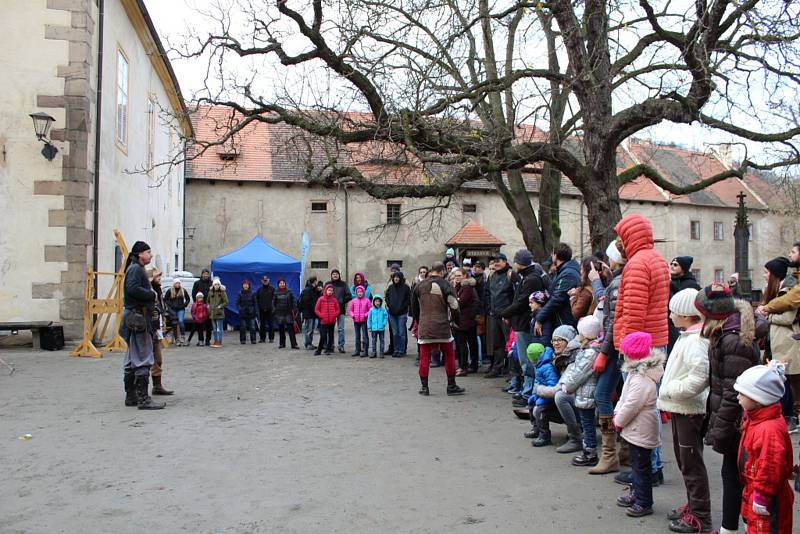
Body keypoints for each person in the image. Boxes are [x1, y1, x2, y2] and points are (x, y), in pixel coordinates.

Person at [695, 284, 761, 534]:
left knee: (734, 475)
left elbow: (733, 394)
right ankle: (734, 525)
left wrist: (720, 430)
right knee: (733, 473)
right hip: (734, 420)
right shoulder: (727, 333)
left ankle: (731, 527)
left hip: (737, 423)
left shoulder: (733, 341)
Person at [611, 214, 670, 485]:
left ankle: (647, 470)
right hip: (655, 340)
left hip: (640, 346)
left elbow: (633, 312)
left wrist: (627, 348)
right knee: (650, 406)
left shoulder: (636, 264)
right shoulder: (655, 258)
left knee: (639, 408)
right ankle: (651, 467)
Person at [657, 288, 711, 533]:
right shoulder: (687, 336)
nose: (670, 316)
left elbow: (699, 376)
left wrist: (671, 389)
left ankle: (701, 516)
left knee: (691, 464)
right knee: (684, 461)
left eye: (673, 312)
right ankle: (693, 506)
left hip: (689, 408)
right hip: (681, 406)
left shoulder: (697, 340)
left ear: (687, 314)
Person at [733, 362, 795, 534]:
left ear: (758, 399)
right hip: (754, 490)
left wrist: (762, 495)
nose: (738, 397)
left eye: (742, 394)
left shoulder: (768, 429)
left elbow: (770, 465)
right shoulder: (756, 420)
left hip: (766, 497)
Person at [614, 332, 664, 518]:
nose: (623, 356)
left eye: (625, 353)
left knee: (641, 466)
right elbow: (624, 398)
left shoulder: (642, 379)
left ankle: (644, 501)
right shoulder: (635, 373)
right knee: (636, 465)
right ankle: (636, 493)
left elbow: (632, 404)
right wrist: (617, 412)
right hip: (635, 427)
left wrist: (618, 420)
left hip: (641, 428)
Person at [590, 238, 627, 475]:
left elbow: (613, 319)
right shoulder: (619, 280)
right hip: (621, 345)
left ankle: (610, 454)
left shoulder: (618, 282)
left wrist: (603, 353)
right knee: (624, 396)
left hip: (615, 346)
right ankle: (625, 451)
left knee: (602, 393)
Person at [410, 262, 464, 396]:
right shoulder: (446, 285)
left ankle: (424, 387)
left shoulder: (419, 286)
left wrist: (419, 321)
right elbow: (454, 305)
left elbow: (414, 308)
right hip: (442, 327)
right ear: (442, 271)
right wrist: (457, 321)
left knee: (424, 358)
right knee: (449, 356)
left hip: (425, 328)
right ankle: (451, 386)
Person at [759, 256, 800, 431]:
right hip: (779, 343)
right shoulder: (777, 290)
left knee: (790, 384)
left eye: (767, 272)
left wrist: (768, 314)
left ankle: (789, 417)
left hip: (787, 343)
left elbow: (788, 317)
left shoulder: (787, 290)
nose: (764, 275)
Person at [122, 241, 164, 410]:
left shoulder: (134, 269)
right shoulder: (135, 269)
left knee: (132, 357)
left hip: (135, 316)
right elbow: (132, 289)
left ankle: (131, 396)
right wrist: (151, 294)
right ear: (140, 254)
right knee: (142, 358)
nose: (150, 255)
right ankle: (143, 399)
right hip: (138, 317)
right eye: (148, 252)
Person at [501, 249, 545, 390]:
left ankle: (528, 391)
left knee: (526, 359)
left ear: (520, 263)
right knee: (523, 358)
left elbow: (521, 303)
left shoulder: (531, 279)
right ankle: (526, 389)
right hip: (522, 322)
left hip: (524, 323)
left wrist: (505, 313)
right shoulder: (528, 277)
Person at [530, 326, 576, 447]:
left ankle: (576, 435)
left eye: (560, 340)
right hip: (570, 400)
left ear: (569, 341)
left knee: (560, 397)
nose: (556, 343)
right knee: (537, 408)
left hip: (581, 404)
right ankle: (539, 432)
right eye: (554, 340)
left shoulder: (573, 359)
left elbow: (559, 388)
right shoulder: (556, 358)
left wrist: (538, 389)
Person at [566, 316, 602, 466]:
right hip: (585, 393)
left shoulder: (590, 352)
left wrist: (566, 386)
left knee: (587, 424)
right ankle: (589, 450)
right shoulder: (589, 349)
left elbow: (579, 373)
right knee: (587, 422)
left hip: (586, 393)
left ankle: (590, 452)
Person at [533, 242, 581, 339]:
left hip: (565, 322)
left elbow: (557, 299)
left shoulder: (568, 274)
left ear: (556, 256)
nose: (551, 256)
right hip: (562, 320)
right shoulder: (563, 271)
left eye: (552, 254)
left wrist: (539, 318)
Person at [486, 252, 520, 378]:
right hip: (494, 315)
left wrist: (510, 314)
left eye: (498, 260)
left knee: (510, 344)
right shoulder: (491, 276)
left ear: (505, 261)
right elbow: (487, 294)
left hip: (508, 316)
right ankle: (497, 368)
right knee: (497, 343)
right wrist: (490, 309)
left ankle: (512, 372)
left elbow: (517, 296)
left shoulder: (512, 275)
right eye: (494, 261)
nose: (496, 263)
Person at [147, 267, 173, 396]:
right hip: (149, 330)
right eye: (157, 277)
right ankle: (139, 390)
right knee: (146, 360)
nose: (159, 279)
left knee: (158, 359)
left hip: (156, 329)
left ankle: (157, 386)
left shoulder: (157, 291)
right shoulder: (149, 292)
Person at [668, 256, 701, 353]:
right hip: (673, 320)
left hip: (685, 322)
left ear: (683, 267)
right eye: (671, 264)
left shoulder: (691, 285)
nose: (672, 266)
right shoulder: (670, 282)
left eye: (675, 265)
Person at [452, 268, 479, 375]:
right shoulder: (458, 286)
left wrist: (455, 300)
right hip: (462, 319)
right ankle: (469, 365)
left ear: (464, 276)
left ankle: (464, 367)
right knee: (468, 343)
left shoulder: (466, 287)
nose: (457, 277)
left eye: (459, 275)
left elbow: (460, 302)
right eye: (455, 276)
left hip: (465, 320)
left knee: (464, 344)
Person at [385, 271, 411, 358]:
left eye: (398, 277)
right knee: (395, 333)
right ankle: (396, 350)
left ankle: (401, 350)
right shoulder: (391, 287)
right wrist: (389, 305)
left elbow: (409, 299)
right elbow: (387, 297)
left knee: (401, 333)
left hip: (402, 313)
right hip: (392, 313)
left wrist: (403, 307)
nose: (396, 278)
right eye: (394, 277)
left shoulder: (406, 288)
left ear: (401, 278)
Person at [569, 256, 600, 321]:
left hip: (589, 328)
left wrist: (573, 297)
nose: (580, 272)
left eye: (581, 269)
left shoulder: (586, 292)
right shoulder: (599, 285)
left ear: (586, 272)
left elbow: (576, 314)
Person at [328, 269, 350, 353]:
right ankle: (331, 345)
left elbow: (349, 295)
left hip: (340, 310)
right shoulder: (328, 284)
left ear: (339, 275)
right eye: (333, 274)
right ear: (331, 275)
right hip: (330, 310)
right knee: (330, 329)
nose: (335, 275)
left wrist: (341, 301)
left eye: (336, 274)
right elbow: (324, 294)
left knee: (341, 329)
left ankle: (341, 346)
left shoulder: (343, 284)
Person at [314, 283, 340, 355]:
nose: (330, 292)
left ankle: (328, 349)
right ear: (325, 290)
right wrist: (321, 316)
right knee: (323, 335)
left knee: (331, 335)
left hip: (332, 321)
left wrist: (334, 315)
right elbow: (316, 309)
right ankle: (319, 350)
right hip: (323, 321)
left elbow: (338, 309)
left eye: (331, 290)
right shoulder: (321, 299)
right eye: (329, 290)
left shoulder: (334, 300)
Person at [273, 278, 299, 349]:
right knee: (281, 329)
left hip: (288, 312)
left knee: (291, 329)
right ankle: (282, 344)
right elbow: (273, 303)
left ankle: (294, 344)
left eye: (283, 283)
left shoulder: (289, 292)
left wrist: (295, 308)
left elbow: (293, 301)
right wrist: (274, 310)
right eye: (280, 283)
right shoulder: (275, 292)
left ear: (285, 284)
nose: (282, 284)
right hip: (279, 313)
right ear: (278, 284)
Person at [348, 285, 371, 357]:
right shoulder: (353, 301)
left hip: (364, 321)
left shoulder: (367, 300)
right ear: (356, 293)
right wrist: (353, 315)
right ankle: (357, 350)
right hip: (356, 321)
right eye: (358, 292)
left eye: (361, 292)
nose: (360, 293)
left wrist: (365, 315)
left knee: (365, 336)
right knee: (357, 336)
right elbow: (350, 310)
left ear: (363, 292)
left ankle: (365, 351)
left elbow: (370, 310)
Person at [165, 280, 191, 346]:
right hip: (173, 309)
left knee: (181, 321)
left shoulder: (183, 290)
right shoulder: (170, 290)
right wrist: (170, 305)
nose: (178, 284)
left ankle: (183, 336)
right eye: (176, 283)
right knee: (174, 323)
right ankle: (177, 339)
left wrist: (184, 305)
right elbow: (165, 299)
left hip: (181, 309)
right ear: (174, 284)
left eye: (179, 283)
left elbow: (188, 299)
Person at [191, 269, 213, 346]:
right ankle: (201, 340)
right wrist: (198, 304)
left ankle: (208, 340)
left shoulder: (211, 283)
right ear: (202, 274)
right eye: (204, 274)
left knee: (209, 325)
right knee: (200, 325)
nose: (205, 275)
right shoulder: (197, 283)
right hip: (200, 307)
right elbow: (193, 294)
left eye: (207, 274)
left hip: (209, 307)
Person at [298, 277, 321, 350]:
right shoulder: (308, 290)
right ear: (314, 282)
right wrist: (314, 308)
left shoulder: (313, 290)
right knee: (308, 329)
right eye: (316, 282)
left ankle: (310, 343)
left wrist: (318, 291)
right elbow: (307, 302)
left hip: (312, 313)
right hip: (309, 313)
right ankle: (308, 344)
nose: (317, 283)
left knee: (310, 329)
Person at [206, 278, 228, 347]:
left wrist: (220, 306)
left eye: (218, 284)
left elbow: (226, 302)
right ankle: (215, 341)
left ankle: (219, 341)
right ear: (213, 285)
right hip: (212, 313)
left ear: (219, 285)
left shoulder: (222, 292)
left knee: (219, 328)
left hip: (219, 313)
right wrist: (209, 306)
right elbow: (207, 301)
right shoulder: (210, 292)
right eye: (215, 284)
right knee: (214, 329)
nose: (217, 286)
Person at [236, 279, 258, 345]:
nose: (245, 286)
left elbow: (255, 303)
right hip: (243, 313)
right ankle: (243, 340)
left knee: (253, 327)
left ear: (249, 285)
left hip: (251, 312)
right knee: (243, 327)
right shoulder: (240, 293)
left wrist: (255, 311)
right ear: (242, 285)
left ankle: (253, 339)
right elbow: (237, 303)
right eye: (244, 284)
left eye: (247, 284)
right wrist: (240, 309)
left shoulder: (253, 293)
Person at [256, 275, 276, 343]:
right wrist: (259, 308)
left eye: (266, 280)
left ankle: (271, 338)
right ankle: (262, 338)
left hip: (270, 310)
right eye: (264, 280)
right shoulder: (259, 290)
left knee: (271, 324)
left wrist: (273, 308)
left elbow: (275, 300)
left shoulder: (272, 289)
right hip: (261, 310)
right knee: (262, 325)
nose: (265, 281)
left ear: (268, 280)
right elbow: (256, 300)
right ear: (262, 281)